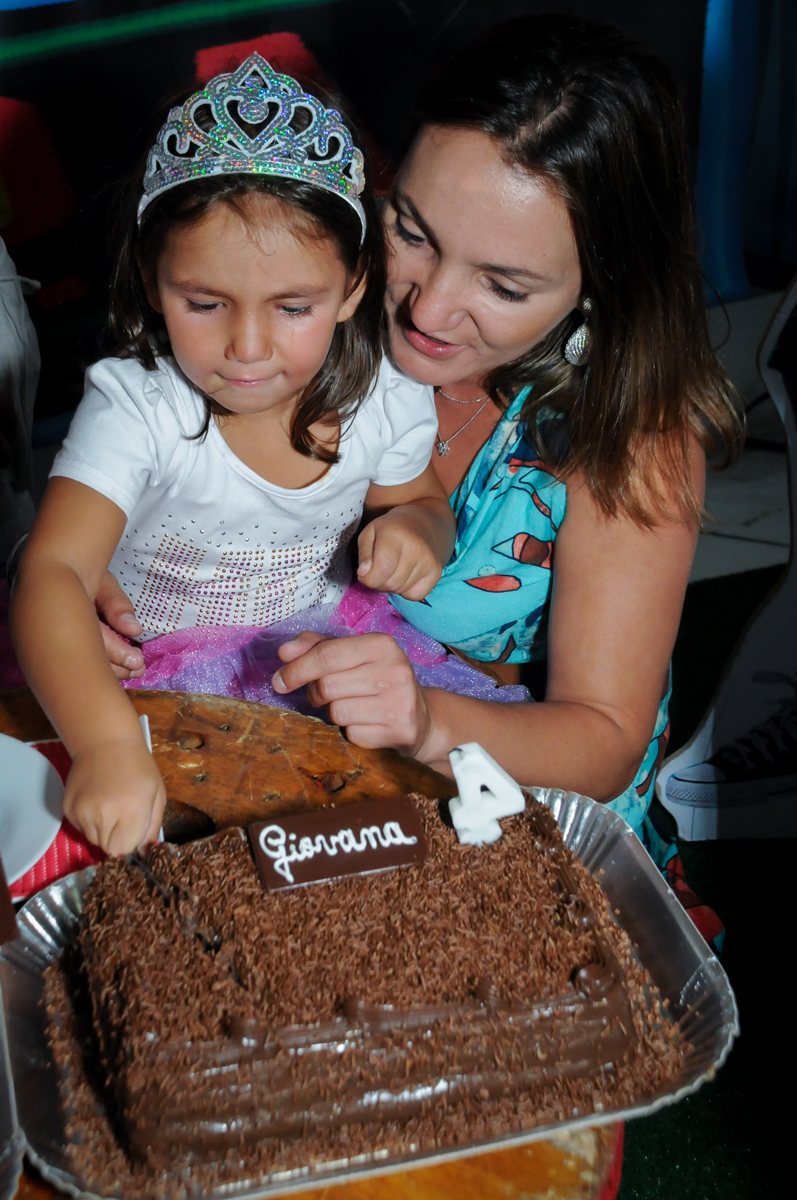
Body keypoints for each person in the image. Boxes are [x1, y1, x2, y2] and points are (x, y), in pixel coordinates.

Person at [94, 15, 740, 851]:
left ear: (598, 287)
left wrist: (426, 717)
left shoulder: (630, 435)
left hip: (496, 825)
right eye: (412, 233)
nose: (427, 311)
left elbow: (605, 744)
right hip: (258, 773)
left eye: (503, 286)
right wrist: (104, 572)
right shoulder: (294, 304)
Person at [10, 54, 455, 856]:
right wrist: (107, 743)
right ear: (150, 278)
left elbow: (418, 499)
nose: (247, 348)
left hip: (314, 672)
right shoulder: (136, 407)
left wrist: (420, 529)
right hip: (140, 693)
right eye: (204, 303)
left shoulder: (385, 396)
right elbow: (53, 574)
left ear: (354, 287)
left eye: (293, 306)